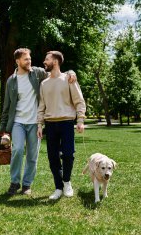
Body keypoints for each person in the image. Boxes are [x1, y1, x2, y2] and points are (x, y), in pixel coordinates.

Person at [0, 48, 76, 196]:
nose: (29, 61)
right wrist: (2, 127)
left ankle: (26, 185)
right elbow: (6, 105)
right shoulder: (11, 81)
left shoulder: (37, 73)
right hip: (18, 122)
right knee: (18, 149)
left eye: (30, 58)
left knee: (32, 155)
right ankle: (15, 182)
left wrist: (71, 72)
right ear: (18, 61)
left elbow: (57, 72)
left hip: (35, 122)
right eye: (26, 59)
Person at [37, 50, 86, 200]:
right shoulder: (44, 83)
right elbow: (41, 106)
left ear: (55, 62)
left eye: (47, 59)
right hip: (50, 125)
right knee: (52, 157)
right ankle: (58, 188)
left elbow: (79, 101)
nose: (44, 62)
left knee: (68, 154)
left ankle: (67, 182)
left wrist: (80, 120)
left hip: (66, 123)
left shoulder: (69, 79)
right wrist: (39, 124)